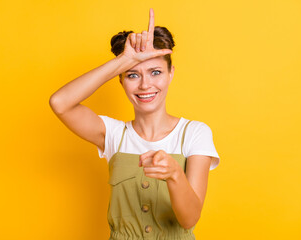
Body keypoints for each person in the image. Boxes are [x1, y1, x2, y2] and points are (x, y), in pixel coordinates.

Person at [49, 8, 220, 240]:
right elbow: (60, 103)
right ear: (120, 80)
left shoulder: (195, 133)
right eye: (132, 75)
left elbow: (190, 219)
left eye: (155, 72)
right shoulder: (113, 134)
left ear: (171, 74)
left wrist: (174, 175)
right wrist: (124, 61)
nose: (145, 85)